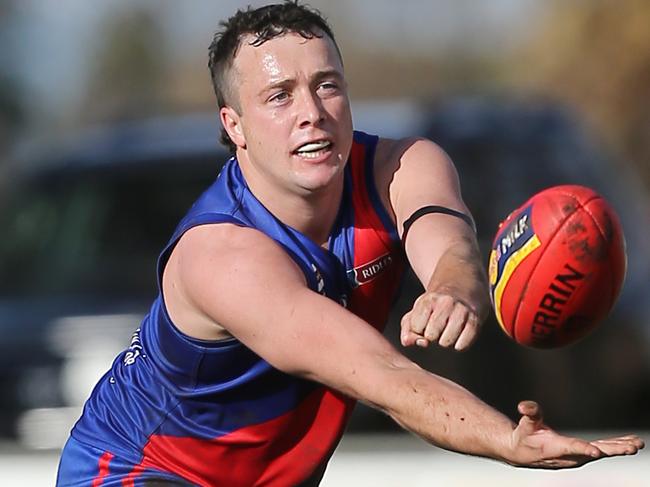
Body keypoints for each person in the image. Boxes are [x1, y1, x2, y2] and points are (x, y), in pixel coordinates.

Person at [57, 2, 643, 485]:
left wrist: (450, 288)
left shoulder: (402, 165)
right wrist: (504, 440)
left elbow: (450, 242)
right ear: (233, 125)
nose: (312, 113)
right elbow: (380, 375)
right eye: (279, 96)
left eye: (326, 85)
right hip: (137, 472)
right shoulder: (222, 255)